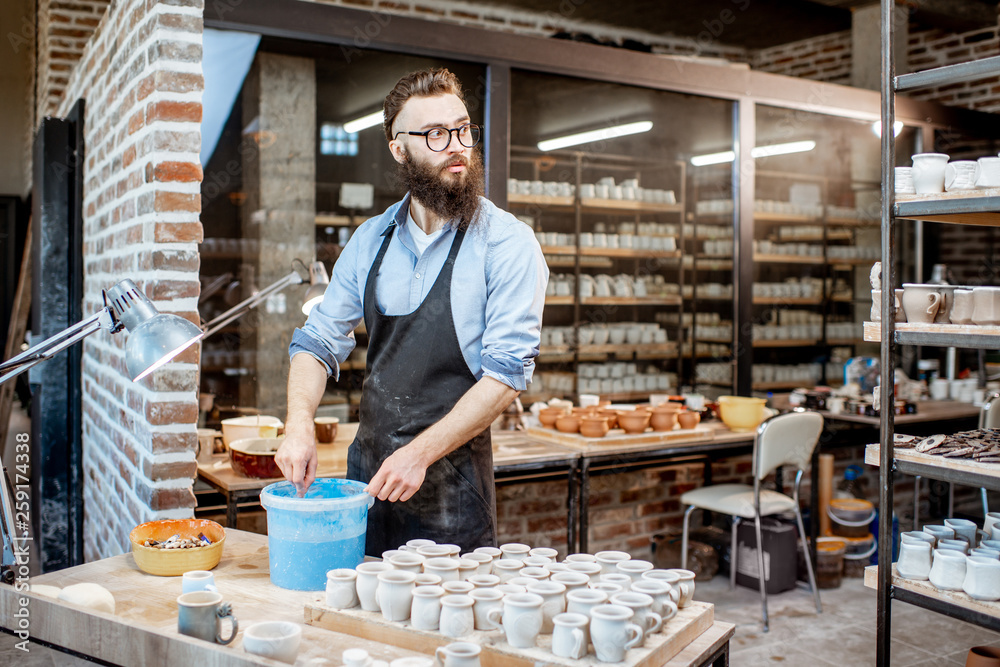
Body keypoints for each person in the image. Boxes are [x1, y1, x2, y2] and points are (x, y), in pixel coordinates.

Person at [275, 68, 548, 555]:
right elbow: (317, 341)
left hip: (452, 488)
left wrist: (419, 454)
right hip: (370, 478)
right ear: (398, 148)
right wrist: (298, 424)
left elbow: (506, 375)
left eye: (463, 129)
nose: (457, 146)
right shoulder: (370, 240)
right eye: (436, 135)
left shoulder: (507, 242)